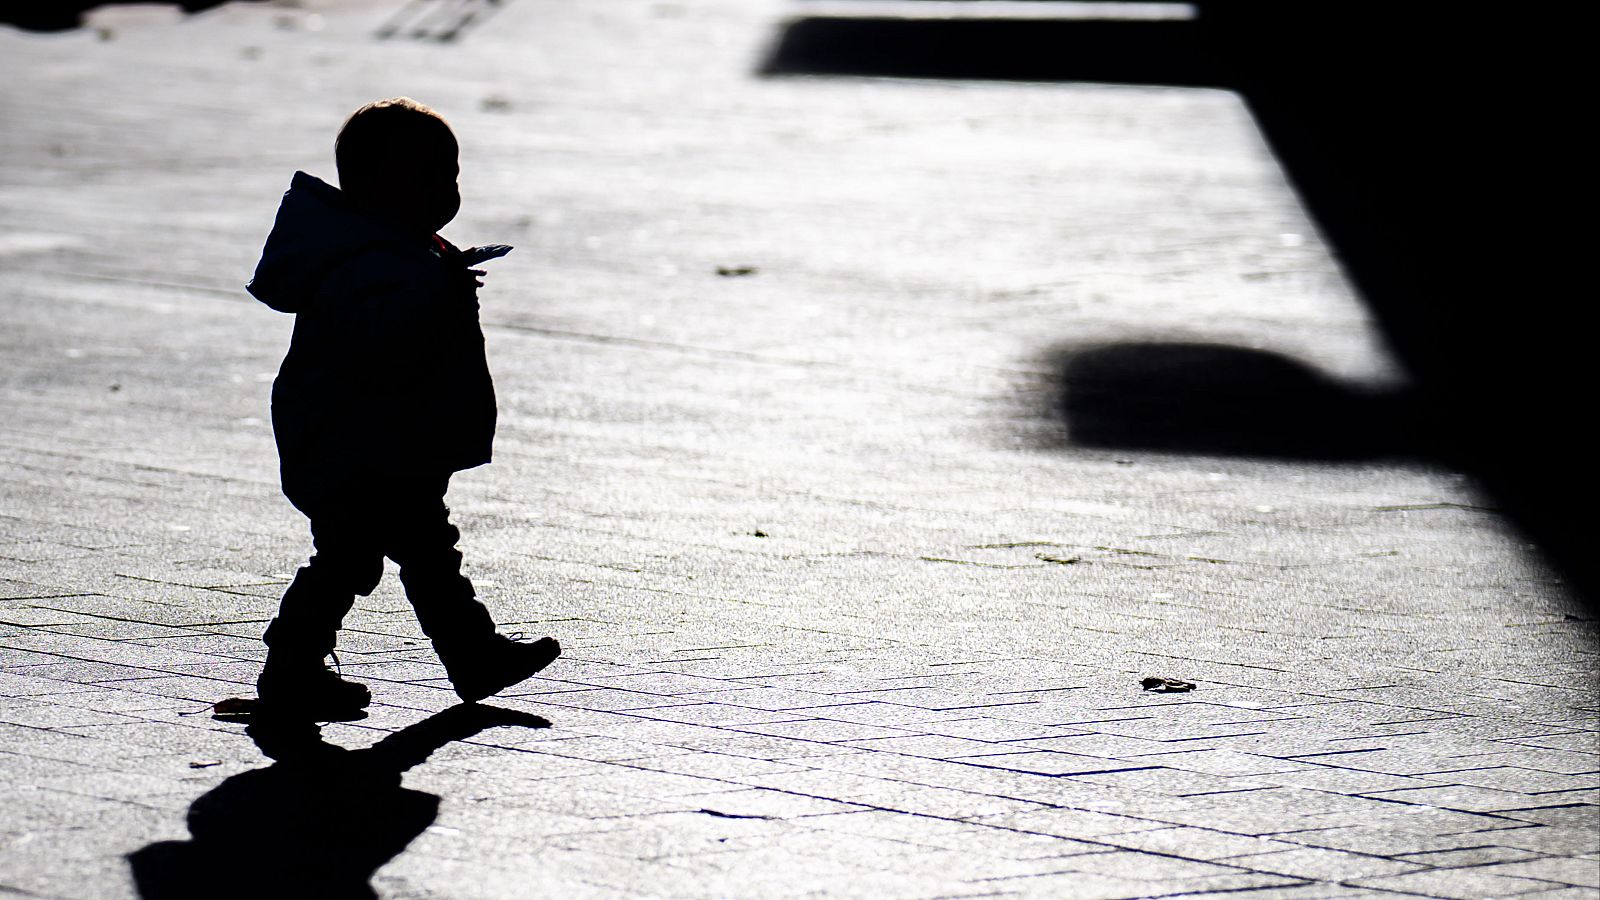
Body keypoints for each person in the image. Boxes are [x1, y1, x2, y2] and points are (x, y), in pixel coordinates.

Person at [245, 97, 558, 718]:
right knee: (368, 556)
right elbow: (379, 347)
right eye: (432, 175)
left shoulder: (402, 251)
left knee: (385, 555)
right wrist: (433, 296)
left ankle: (457, 657)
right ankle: (300, 667)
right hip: (364, 448)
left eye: (453, 174)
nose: (448, 189)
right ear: (376, 187)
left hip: (381, 442)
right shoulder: (374, 263)